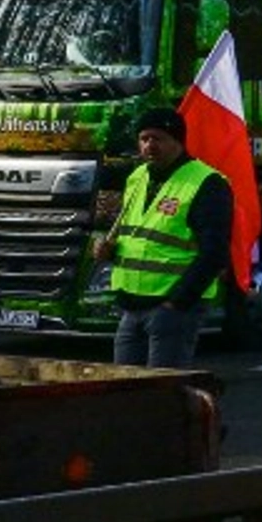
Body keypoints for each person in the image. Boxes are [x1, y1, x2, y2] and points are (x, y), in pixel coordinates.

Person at [94, 107, 232, 368]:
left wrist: (176, 304)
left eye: (158, 138)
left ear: (177, 141)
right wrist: (110, 251)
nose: (149, 146)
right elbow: (141, 237)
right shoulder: (138, 177)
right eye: (144, 139)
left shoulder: (207, 183)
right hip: (130, 305)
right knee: (123, 390)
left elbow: (214, 254)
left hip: (171, 308)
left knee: (163, 392)